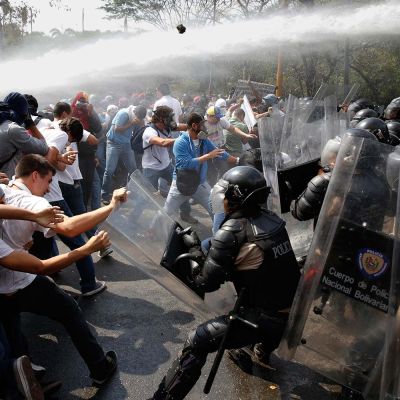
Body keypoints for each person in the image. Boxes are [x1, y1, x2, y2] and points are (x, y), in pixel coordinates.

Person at [151, 166, 300, 399]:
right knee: (252, 311)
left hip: (264, 318)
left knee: (196, 340)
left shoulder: (233, 230)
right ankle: (260, 349)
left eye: (227, 195)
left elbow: (205, 283)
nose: (224, 201)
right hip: (291, 312)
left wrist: (192, 249)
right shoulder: (272, 220)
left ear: (237, 198)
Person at [164, 113, 239, 220]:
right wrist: (208, 156)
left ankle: (219, 234)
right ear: (194, 126)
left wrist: (237, 161)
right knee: (166, 212)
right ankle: (152, 231)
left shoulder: (203, 139)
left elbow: (219, 153)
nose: (205, 127)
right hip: (181, 184)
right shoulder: (180, 142)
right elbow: (186, 163)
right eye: (202, 124)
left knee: (217, 210)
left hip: (200, 183)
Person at [101, 104, 137, 204]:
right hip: (114, 143)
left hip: (126, 144)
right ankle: (104, 195)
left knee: (133, 170)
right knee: (110, 170)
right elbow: (116, 128)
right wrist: (131, 123)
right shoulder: (124, 113)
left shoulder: (135, 115)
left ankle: (130, 192)